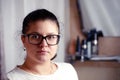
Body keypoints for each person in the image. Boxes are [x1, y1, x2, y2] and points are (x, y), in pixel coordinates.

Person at [7, 9, 78, 80]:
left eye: (51, 37)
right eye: (35, 36)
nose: (44, 44)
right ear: (23, 40)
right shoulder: (11, 78)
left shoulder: (68, 71)